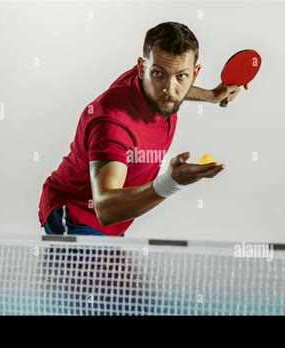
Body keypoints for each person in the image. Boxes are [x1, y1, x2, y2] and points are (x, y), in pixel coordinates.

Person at [39, 21, 243, 237]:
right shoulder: (112, 123)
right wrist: (171, 183)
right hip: (76, 217)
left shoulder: (156, 86)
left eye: (181, 76)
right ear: (142, 68)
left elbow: (171, 84)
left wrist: (211, 96)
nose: (168, 89)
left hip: (113, 225)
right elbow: (105, 208)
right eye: (158, 74)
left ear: (194, 74)